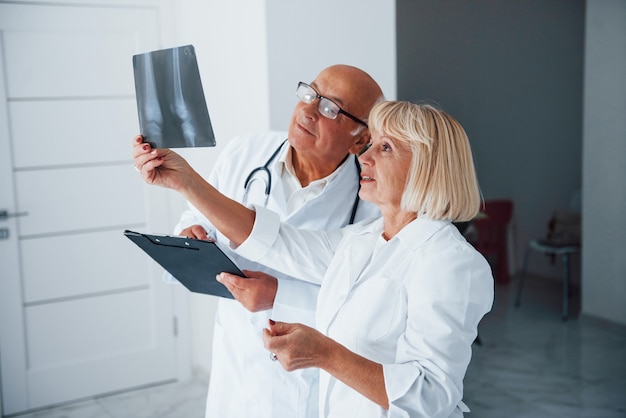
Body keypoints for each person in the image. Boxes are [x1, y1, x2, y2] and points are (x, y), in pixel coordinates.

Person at [133, 100, 494, 417]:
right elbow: (276, 242)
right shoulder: (360, 241)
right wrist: (185, 182)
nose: (364, 157)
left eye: (385, 148)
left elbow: (432, 394)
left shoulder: (451, 263)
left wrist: (326, 355)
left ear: (427, 168)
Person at [168, 65, 383, 418]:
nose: (308, 110)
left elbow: (368, 306)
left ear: (359, 139)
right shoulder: (245, 152)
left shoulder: (373, 202)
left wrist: (281, 297)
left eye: (330, 108)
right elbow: (192, 217)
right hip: (236, 364)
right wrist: (190, 234)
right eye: (310, 93)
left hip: (308, 383)